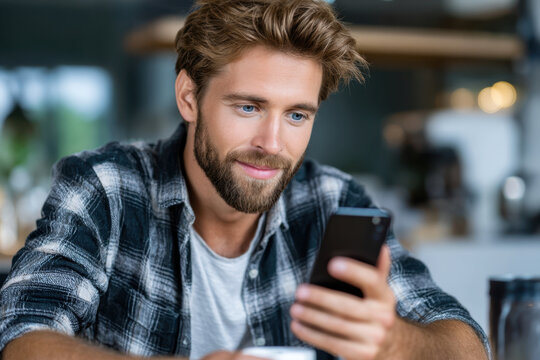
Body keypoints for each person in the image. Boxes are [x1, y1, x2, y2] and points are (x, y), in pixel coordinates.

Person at [0, 0, 489, 359]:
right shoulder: (105, 188)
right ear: (189, 96)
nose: (272, 142)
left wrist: (394, 341)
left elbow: (467, 345)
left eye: (297, 115)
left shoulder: (332, 202)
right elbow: (21, 338)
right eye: (249, 107)